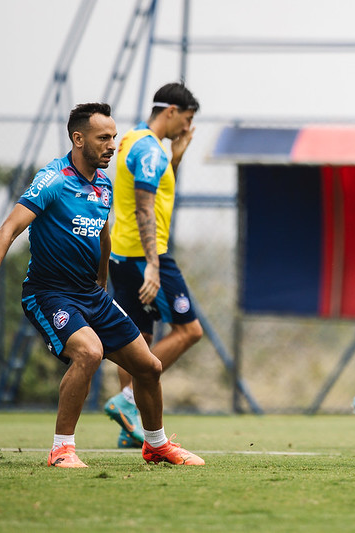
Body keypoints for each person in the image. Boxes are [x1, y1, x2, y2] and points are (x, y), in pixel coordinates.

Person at [0, 103, 204, 468]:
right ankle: (62, 449)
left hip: (91, 294)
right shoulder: (52, 180)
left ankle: (155, 445)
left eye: (113, 136)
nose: (112, 144)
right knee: (89, 352)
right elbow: (8, 229)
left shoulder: (103, 184)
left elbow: (103, 235)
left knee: (150, 367)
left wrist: (102, 280)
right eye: (104, 138)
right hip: (48, 294)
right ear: (78, 139)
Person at [103, 81, 204, 448]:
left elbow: (153, 189)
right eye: (187, 119)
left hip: (122, 255)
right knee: (189, 331)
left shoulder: (135, 140)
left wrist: (177, 155)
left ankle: (133, 431)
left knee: (139, 339)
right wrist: (153, 265)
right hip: (147, 256)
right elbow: (144, 206)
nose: (187, 128)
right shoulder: (150, 151)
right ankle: (128, 401)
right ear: (171, 111)